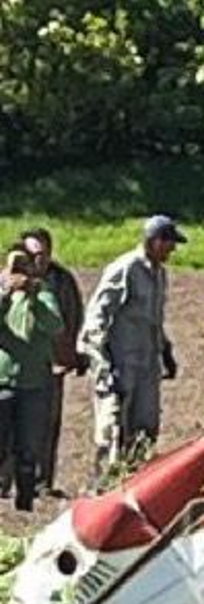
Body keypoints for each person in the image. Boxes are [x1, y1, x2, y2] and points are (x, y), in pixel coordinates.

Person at [78, 214, 182, 484]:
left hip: (147, 364)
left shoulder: (159, 274)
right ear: (155, 241)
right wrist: (103, 365)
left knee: (145, 430)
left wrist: (166, 351)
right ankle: (105, 488)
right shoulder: (124, 269)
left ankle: (135, 485)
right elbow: (95, 320)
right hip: (120, 364)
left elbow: (153, 320)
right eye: (170, 243)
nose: (173, 249)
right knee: (113, 430)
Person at [21, 228, 86, 496]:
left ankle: (43, 481)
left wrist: (72, 352)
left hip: (50, 363)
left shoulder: (61, 281)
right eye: (33, 255)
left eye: (43, 254)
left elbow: (73, 315)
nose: (39, 261)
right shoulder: (8, 279)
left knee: (48, 423)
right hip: (15, 365)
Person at [0, 243, 64, 511]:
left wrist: (33, 296)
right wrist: (5, 294)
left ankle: (25, 499)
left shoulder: (44, 295)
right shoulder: (3, 295)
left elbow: (55, 325)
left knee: (28, 447)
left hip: (34, 381)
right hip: (4, 380)